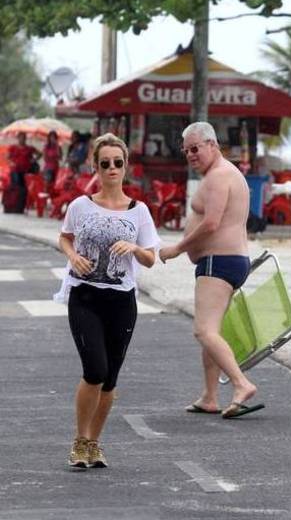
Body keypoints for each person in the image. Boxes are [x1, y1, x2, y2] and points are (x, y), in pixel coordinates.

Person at [55, 133, 160, 469]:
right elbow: (64, 237)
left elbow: (150, 259)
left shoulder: (139, 211)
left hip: (121, 301)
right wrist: (72, 256)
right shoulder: (80, 205)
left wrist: (135, 248)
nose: (112, 168)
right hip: (85, 297)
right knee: (95, 370)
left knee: (111, 377)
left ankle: (94, 444)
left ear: (126, 166)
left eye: (118, 162)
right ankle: (79, 440)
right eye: (105, 163)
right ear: (95, 166)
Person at [159, 122, 263, 419]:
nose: (191, 155)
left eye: (196, 149)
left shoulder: (218, 177)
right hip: (228, 260)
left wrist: (178, 248)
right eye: (187, 151)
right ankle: (210, 396)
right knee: (212, 330)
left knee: (203, 330)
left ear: (212, 144)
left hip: (220, 260)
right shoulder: (228, 174)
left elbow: (211, 223)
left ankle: (242, 384)